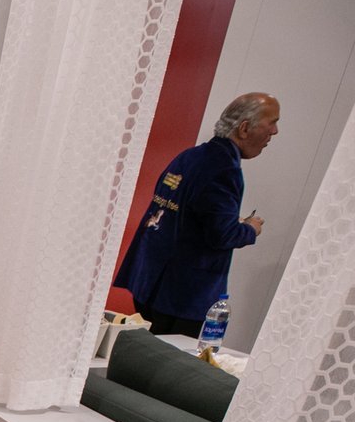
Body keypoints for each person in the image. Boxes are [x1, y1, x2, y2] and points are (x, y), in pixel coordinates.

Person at [114, 92, 281, 337]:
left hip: (150, 282)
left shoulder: (190, 156)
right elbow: (222, 235)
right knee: (166, 359)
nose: (275, 132)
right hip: (182, 296)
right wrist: (250, 228)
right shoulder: (224, 169)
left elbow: (181, 213)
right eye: (272, 123)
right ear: (244, 128)